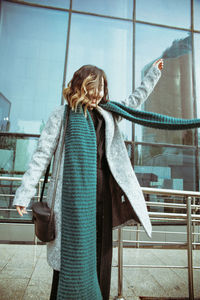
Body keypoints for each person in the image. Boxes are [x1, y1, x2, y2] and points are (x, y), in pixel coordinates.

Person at [13, 58, 163, 300]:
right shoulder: (61, 115)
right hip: (71, 203)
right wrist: (24, 192)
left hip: (102, 199)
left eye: (101, 90)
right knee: (70, 258)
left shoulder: (108, 114)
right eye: (92, 91)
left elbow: (134, 102)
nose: (97, 96)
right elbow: (41, 155)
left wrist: (153, 75)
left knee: (101, 256)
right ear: (80, 87)